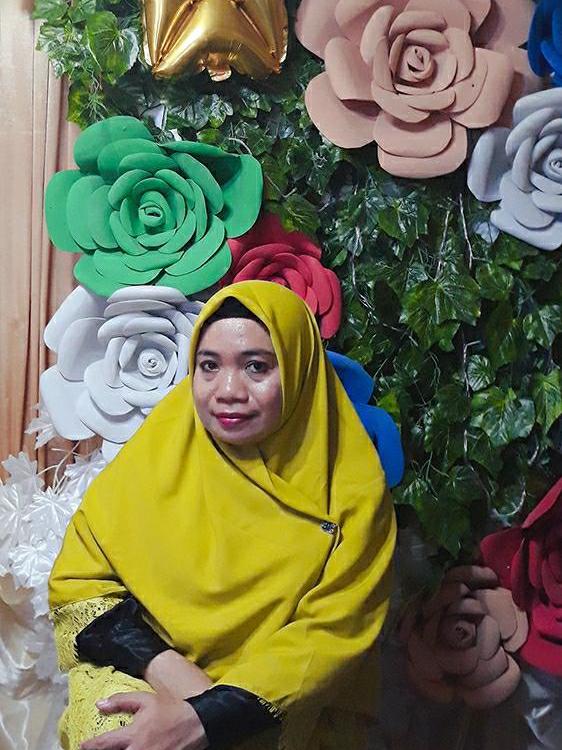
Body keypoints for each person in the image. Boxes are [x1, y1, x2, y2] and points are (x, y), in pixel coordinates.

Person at [48, 280, 396, 750]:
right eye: (209, 366)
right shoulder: (161, 450)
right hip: (145, 671)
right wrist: (174, 676)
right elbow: (79, 583)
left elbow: (332, 633)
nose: (228, 391)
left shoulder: (352, 491)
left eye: (256, 367)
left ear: (299, 370)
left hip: (278, 707)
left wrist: (210, 716)